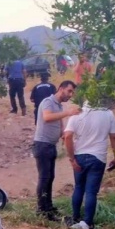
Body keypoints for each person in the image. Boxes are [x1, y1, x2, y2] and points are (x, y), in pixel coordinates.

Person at [64, 101, 115, 229]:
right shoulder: (108, 113)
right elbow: (114, 137)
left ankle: (76, 218)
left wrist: (72, 159)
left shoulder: (77, 113)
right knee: (91, 192)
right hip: (98, 157)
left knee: (78, 187)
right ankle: (87, 222)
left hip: (80, 156)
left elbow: (67, 136)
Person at [34, 80, 81, 221]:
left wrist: (64, 134)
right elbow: (47, 117)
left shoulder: (59, 106)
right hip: (42, 145)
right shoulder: (48, 101)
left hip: (50, 145)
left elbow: (59, 125)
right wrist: (68, 112)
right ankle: (42, 210)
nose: (70, 95)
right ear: (61, 89)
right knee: (44, 178)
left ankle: (48, 207)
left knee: (50, 178)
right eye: (69, 91)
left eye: (72, 92)